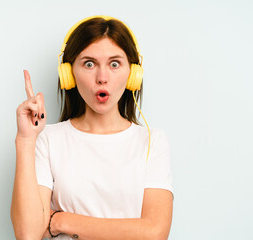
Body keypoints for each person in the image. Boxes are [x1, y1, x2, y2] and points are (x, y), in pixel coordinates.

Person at [11, 16, 174, 240]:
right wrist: (26, 140)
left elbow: (154, 234)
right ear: (68, 74)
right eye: (89, 64)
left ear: (132, 75)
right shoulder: (48, 139)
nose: (102, 77)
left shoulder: (152, 141)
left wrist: (61, 220)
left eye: (114, 64)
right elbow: (28, 234)